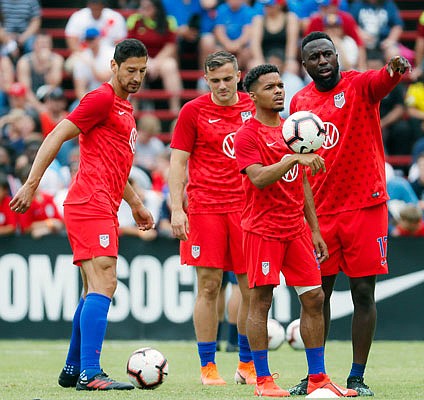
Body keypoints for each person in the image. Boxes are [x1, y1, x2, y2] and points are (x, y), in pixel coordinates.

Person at [9, 38, 151, 391]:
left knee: (93, 287)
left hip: (102, 202)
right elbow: (57, 134)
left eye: (142, 72)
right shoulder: (101, 98)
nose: (136, 77)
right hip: (90, 202)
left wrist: (134, 203)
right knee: (106, 281)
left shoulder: (123, 107)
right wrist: (30, 184)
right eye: (130, 70)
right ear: (114, 66)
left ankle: (75, 368)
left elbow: (115, 165)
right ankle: (91, 372)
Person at [288, 31, 411, 396]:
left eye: (328, 54)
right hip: (322, 212)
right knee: (316, 296)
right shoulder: (300, 102)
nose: (323, 61)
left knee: (363, 293)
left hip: (366, 205)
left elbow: (383, 80)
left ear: (337, 56)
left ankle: (357, 376)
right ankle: (317, 376)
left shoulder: (359, 86)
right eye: (315, 57)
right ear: (305, 64)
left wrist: (394, 69)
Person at [234, 63, 357, 398]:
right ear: (253, 95)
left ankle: (318, 378)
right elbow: (258, 178)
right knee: (261, 300)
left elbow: (301, 184)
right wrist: (293, 159)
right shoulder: (248, 135)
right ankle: (262, 381)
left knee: (315, 298)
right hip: (263, 229)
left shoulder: (293, 128)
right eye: (270, 87)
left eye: (280, 85)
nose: (278, 91)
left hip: (295, 229)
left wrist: (314, 229)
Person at [168, 50, 257, 386]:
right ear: (206, 80)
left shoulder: (254, 106)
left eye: (227, 78)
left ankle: (247, 365)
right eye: (215, 80)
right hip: (206, 208)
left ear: (238, 76)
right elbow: (177, 162)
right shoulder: (193, 111)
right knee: (209, 286)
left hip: (249, 209)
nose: (222, 85)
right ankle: (208, 367)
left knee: (252, 289)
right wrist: (178, 208)